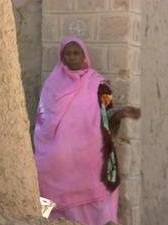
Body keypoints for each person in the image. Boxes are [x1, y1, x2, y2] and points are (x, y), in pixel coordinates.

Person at [34, 36, 140, 225]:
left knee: (97, 188)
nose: (72, 57)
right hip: (56, 157)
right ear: (62, 56)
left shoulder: (99, 84)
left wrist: (120, 114)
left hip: (89, 154)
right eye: (68, 53)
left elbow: (107, 112)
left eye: (76, 53)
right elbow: (43, 121)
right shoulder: (52, 85)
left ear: (84, 56)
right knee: (44, 181)